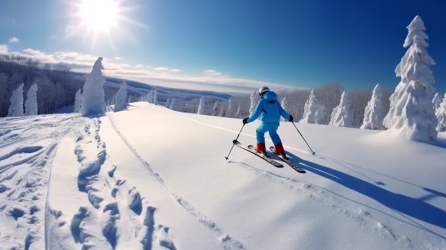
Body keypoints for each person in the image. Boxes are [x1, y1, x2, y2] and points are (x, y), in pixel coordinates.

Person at [243, 86, 293, 158]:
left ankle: (261, 149)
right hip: (275, 123)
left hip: (266, 123)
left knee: (259, 132)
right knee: (273, 134)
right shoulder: (276, 102)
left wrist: (247, 120)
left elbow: (256, 114)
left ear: (261, 94)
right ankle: (280, 150)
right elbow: (282, 111)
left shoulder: (262, 101)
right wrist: (289, 118)